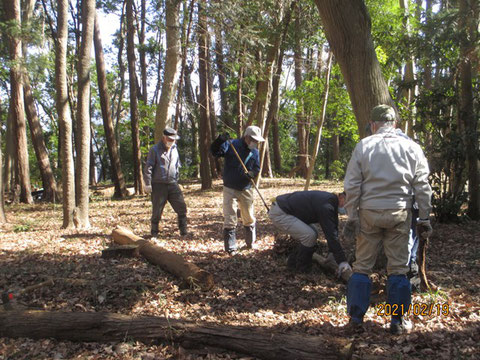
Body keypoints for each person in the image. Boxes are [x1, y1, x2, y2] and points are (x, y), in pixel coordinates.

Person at [343, 104, 433, 334]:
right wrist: (424, 217)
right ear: (395, 124)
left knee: (362, 267)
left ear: (373, 124)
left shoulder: (364, 145)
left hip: (369, 213)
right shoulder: (411, 147)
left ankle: (356, 319)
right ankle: (398, 321)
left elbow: (352, 185)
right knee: (399, 269)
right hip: (400, 213)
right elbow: (422, 186)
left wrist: (352, 215)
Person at [210, 126, 265, 254]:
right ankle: (230, 248)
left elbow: (257, 168)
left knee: (249, 217)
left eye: (256, 141)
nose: (255, 142)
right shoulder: (232, 144)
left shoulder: (255, 152)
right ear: (247, 137)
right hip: (230, 187)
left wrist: (252, 173)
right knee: (230, 217)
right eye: (253, 140)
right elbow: (215, 152)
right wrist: (220, 140)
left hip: (246, 188)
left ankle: (250, 243)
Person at [269, 190, 351, 275]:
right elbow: (330, 234)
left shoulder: (331, 201)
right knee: (309, 235)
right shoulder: (326, 206)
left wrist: (332, 253)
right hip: (280, 212)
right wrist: (342, 261)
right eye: (348, 204)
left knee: (313, 232)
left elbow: (333, 228)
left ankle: (292, 262)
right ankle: (301, 269)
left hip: (285, 209)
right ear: (341, 197)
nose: (347, 208)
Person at [144, 127, 188, 237]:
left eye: (174, 140)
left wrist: (177, 179)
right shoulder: (154, 150)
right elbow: (148, 167)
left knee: (182, 208)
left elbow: (177, 165)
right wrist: (148, 183)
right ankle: (154, 233)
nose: (172, 142)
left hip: (173, 183)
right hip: (159, 184)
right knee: (157, 211)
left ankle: (184, 232)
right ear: (164, 138)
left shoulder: (175, 149)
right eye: (170, 139)